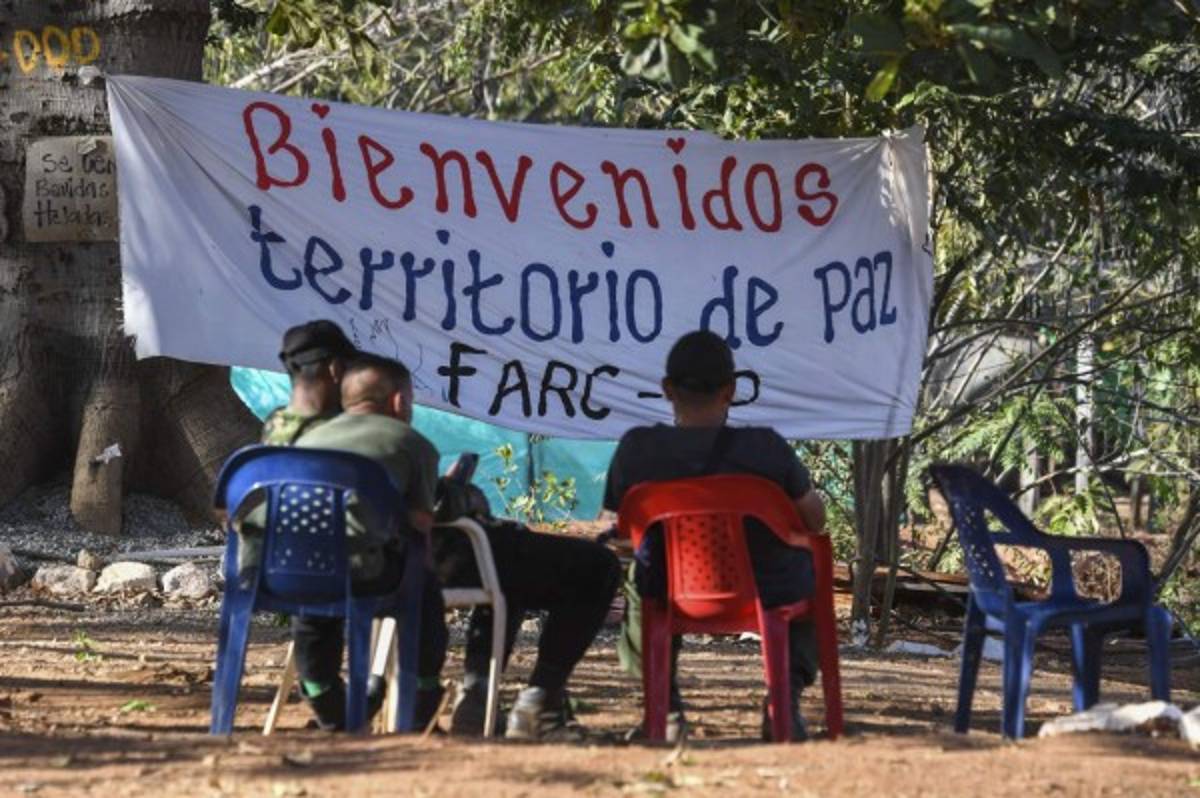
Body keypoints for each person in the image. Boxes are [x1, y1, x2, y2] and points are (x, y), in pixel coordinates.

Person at [603, 330, 827, 742]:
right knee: (809, 568)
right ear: (731, 391)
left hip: (665, 587)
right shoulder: (766, 449)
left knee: (639, 582)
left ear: (667, 389)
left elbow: (623, 527)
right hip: (768, 591)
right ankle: (785, 701)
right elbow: (814, 519)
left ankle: (664, 708)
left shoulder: (638, 450)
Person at [244, 325, 449, 732]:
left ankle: (327, 699)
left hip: (274, 571)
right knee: (420, 585)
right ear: (337, 370)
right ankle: (419, 697)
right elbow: (419, 521)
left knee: (316, 602)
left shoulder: (279, 433)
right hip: (361, 570)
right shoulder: (397, 438)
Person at [432, 466, 622, 740]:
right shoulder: (400, 444)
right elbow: (423, 511)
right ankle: (540, 699)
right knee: (596, 565)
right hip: (427, 560)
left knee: (506, 567)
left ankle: (477, 696)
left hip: (376, 569)